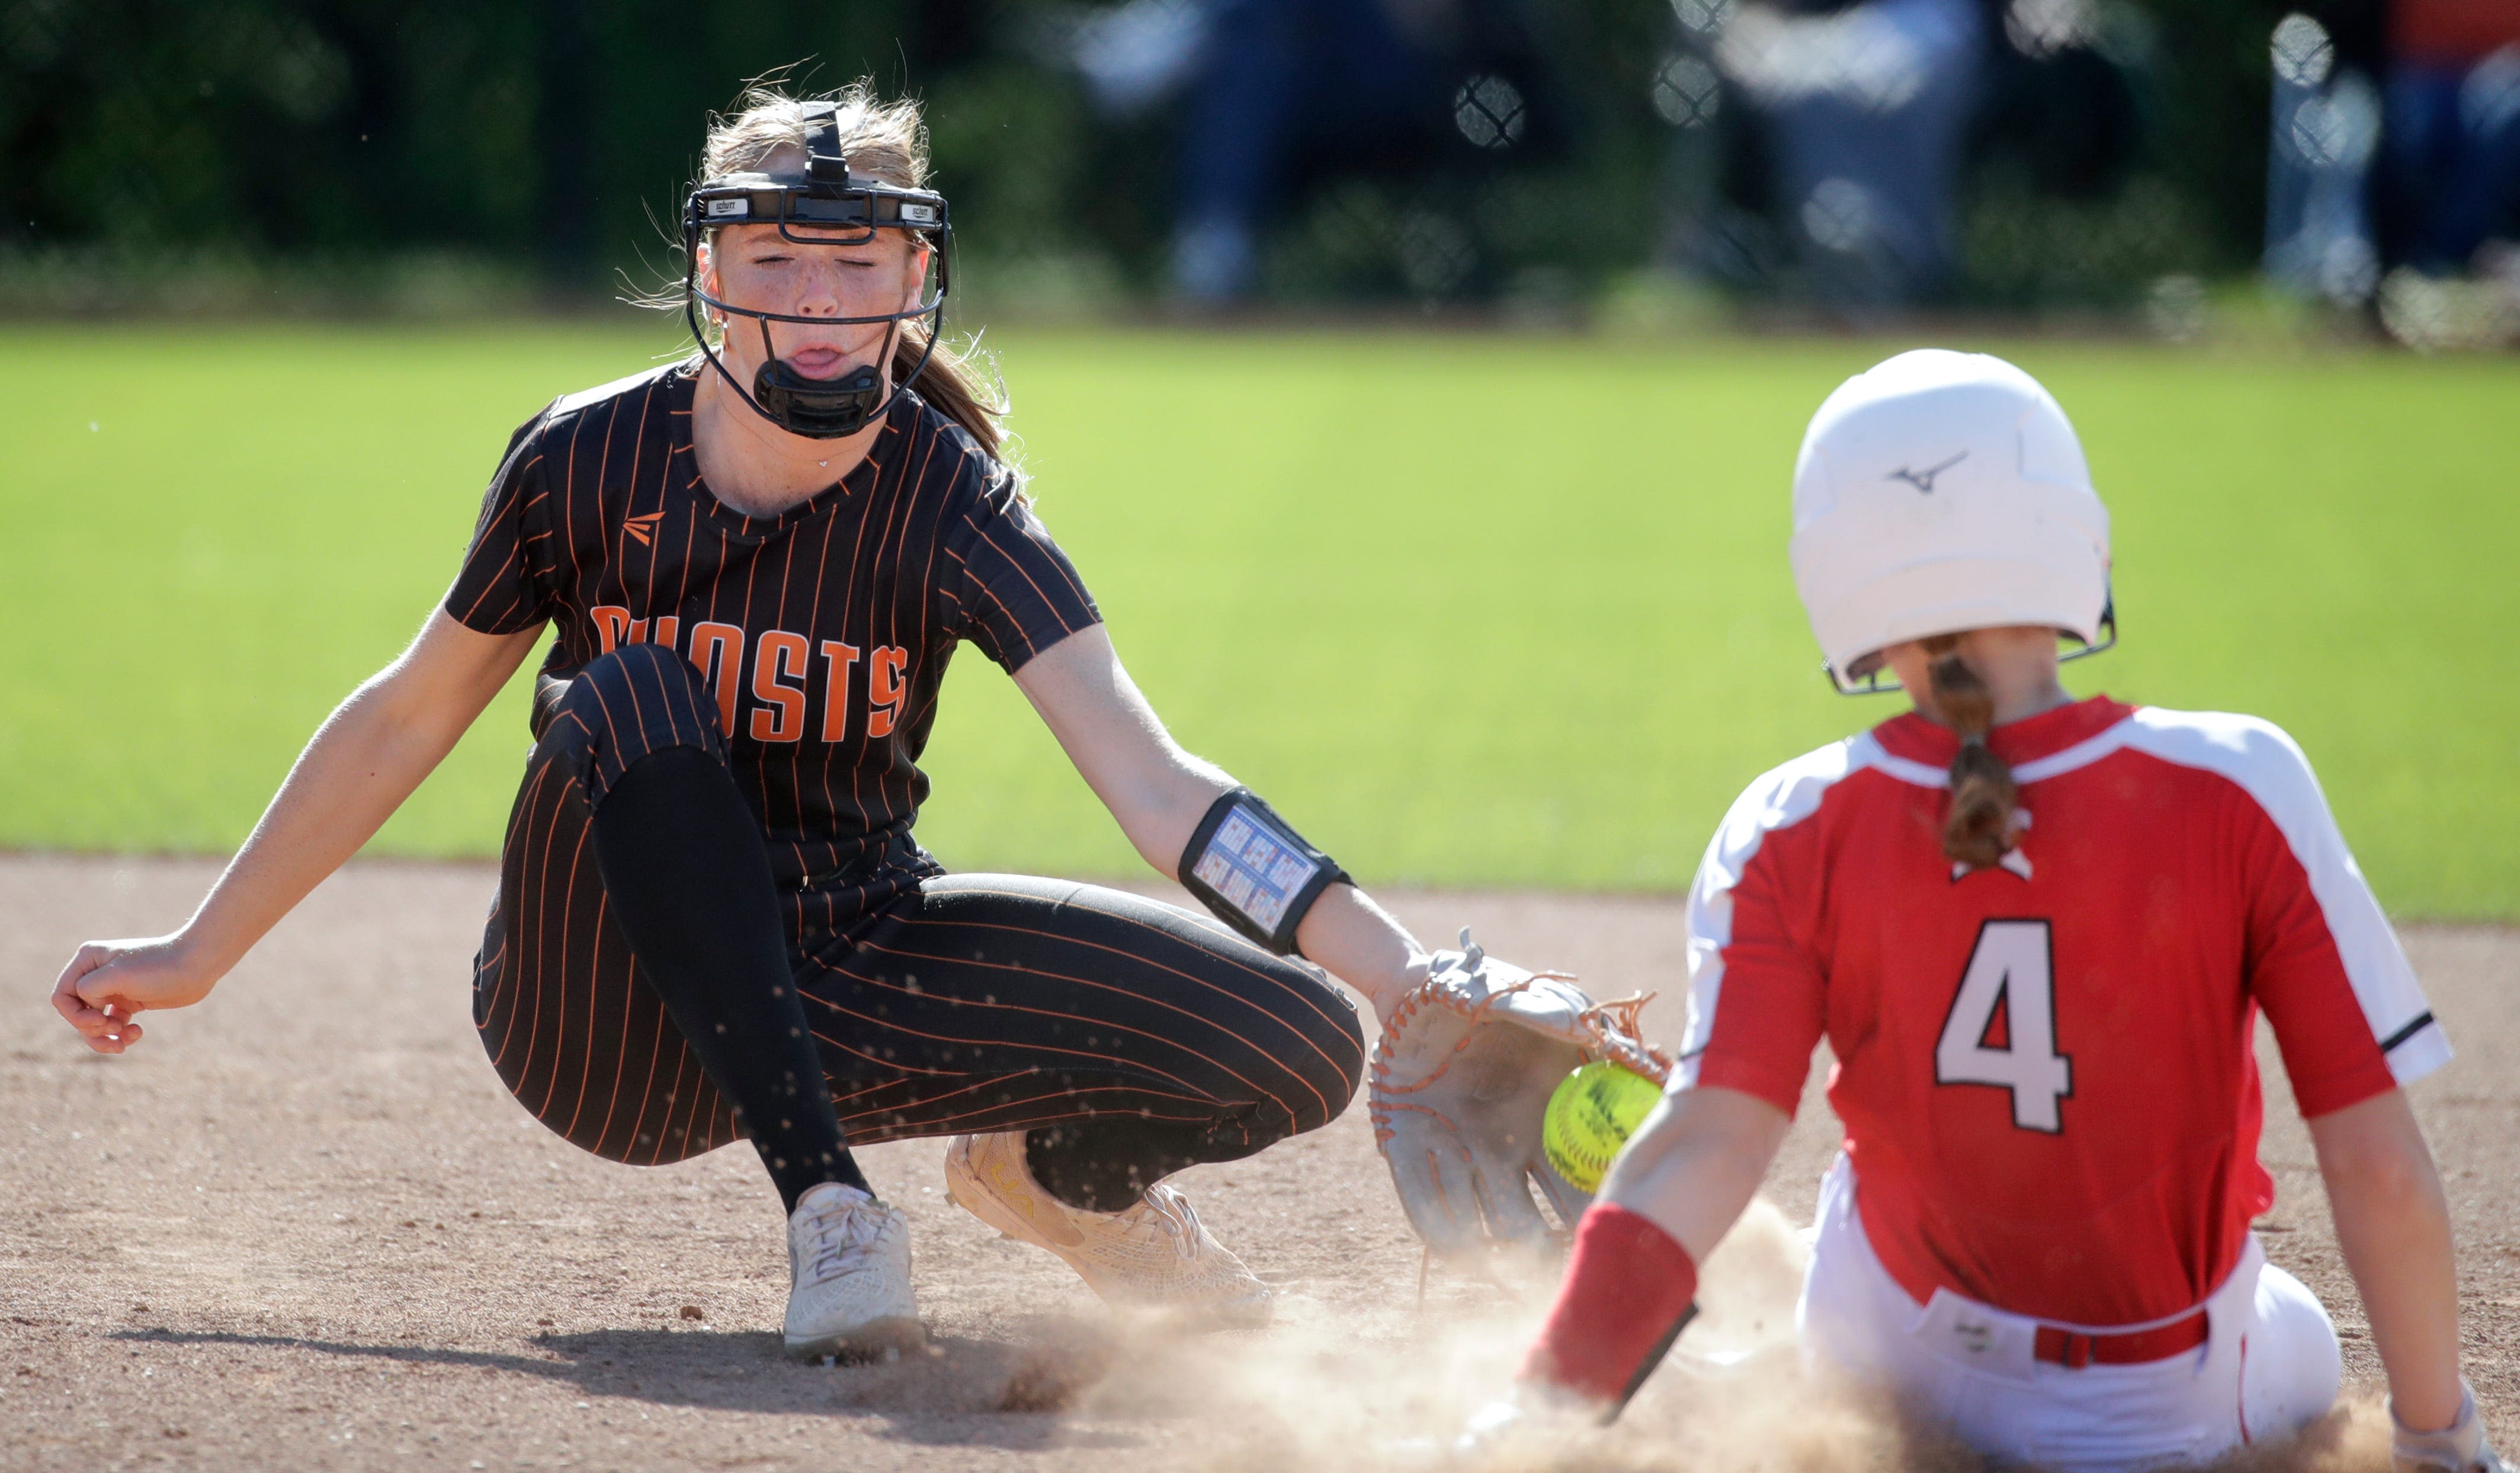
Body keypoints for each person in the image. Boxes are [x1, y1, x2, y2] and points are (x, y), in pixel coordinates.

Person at [48, 82, 1463, 1363]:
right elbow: (405, 716)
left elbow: (1160, 790)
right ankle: (831, 1211)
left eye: (858, 265)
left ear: (918, 281)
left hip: (845, 953)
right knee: (627, 690)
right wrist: (195, 952)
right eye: (774, 259)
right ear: (710, 274)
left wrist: (1403, 979)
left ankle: (1062, 1189)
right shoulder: (584, 458)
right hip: (594, 1013)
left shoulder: (952, 499)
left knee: (1296, 1036)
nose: (817, 300)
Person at [1477, 350, 2507, 1473]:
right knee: (2294, 1326)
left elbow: (1709, 1146)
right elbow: (2379, 1170)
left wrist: (1534, 1417)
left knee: (1838, 1203)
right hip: (2178, 1403)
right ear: (2075, 537)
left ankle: (1713, 1381)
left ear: (1837, 573)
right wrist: (2443, 1443)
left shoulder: (1787, 819)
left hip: (1898, 1360)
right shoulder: (2240, 783)